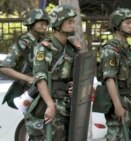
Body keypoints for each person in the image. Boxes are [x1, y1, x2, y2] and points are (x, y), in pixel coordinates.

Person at [31, 4, 79, 140]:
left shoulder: (72, 49)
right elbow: (40, 78)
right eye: (69, 22)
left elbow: (75, 76)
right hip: (53, 105)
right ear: (58, 23)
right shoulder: (44, 48)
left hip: (69, 107)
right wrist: (50, 104)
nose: (73, 25)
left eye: (73, 22)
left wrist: (73, 85)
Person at [98, 8, 131, 140]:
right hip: (119, 101)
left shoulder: (126, 48)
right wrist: (117, 105)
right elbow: (109, 79)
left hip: (129, 101)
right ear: (117, 24)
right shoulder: (110, 49)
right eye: (127, 22)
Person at [0, 8, 49, 93]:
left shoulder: (40, 42)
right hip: (27, 91)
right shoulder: (23, 43)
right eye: (41, 24)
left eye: (46, 24)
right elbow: (4, 68)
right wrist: (28, 79)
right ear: (31, 24)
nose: (45, 27)